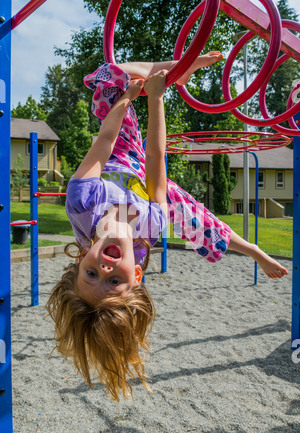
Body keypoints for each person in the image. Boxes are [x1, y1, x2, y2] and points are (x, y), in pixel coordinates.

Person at [47, 53, 288, 401]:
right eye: (114, 280)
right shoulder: (152, 225)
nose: (104, 268)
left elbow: (104, 141)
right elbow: (157, 161)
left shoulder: (82, 203)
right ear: (137, 275)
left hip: (118, 153)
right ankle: (252, 250)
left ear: (83, 257)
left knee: (106, 80)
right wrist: (157, 98)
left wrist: (130, 97)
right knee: (196, 220)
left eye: (91, 274)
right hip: (148, 190)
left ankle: (172, 70)